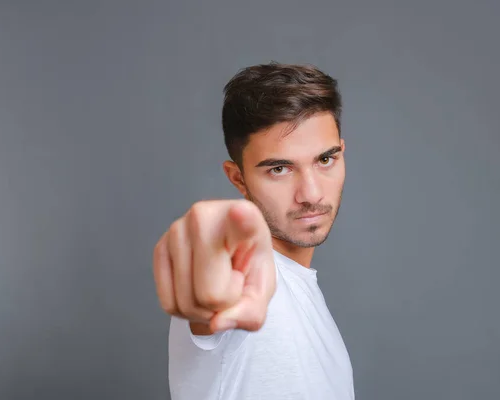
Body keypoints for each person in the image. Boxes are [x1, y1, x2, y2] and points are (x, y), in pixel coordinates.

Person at [152, 62, 354, 399]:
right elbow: (216, 271)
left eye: (324, 160)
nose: (312, 193)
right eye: (279, 168)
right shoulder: (244, 275)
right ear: (238, 178)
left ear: (341, 153)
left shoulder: (302, 287)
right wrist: (210, 250)